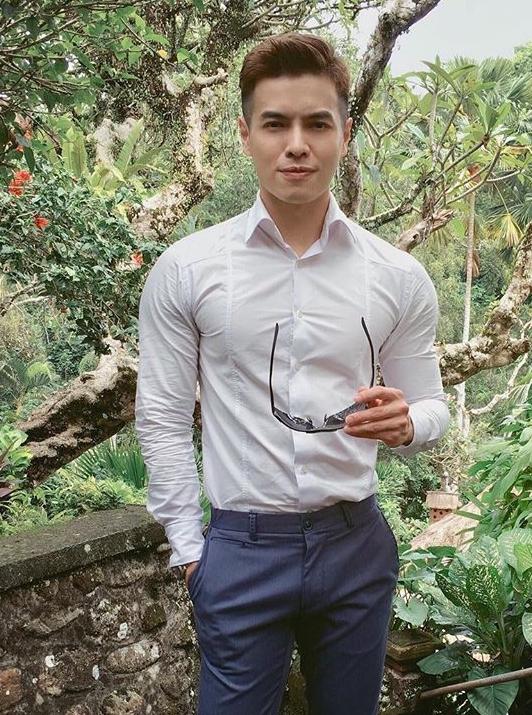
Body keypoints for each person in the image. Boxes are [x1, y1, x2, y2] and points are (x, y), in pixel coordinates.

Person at [135, 32, 450, 715]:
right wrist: (191, 550)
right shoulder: (188, 270)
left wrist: (408, 424)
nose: (296, 145)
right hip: (240, 548)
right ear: (245, 133)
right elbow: (161, 416)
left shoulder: (396, 275)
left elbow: (432, 406)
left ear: (345, 133)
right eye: (276, 123)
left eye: (317, 124)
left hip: (355, 543)